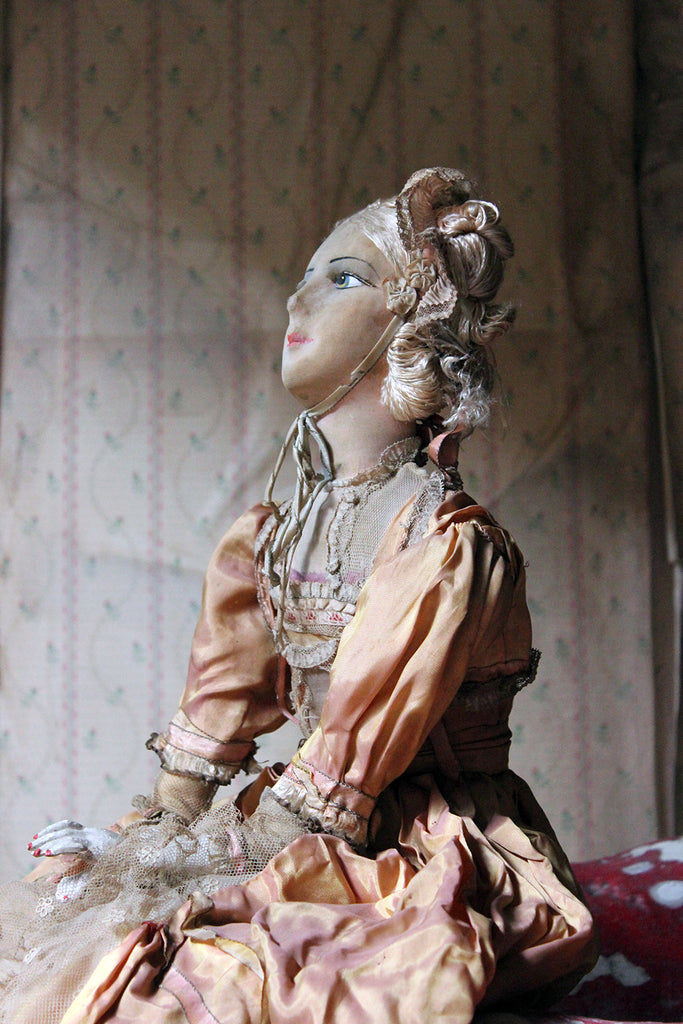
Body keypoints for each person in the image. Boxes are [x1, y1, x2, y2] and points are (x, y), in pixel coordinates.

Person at [0, 167, 597, 1024]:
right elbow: (210, 731)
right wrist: (147, 841)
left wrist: (186, 865)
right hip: (298, 822)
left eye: (342, 278)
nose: (296, 299)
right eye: (305, 277)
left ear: (411, 318)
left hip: (421, 848)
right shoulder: (273, 535)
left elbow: (339, 775)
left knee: (211, 983)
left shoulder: (441, 543)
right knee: (73, 913)